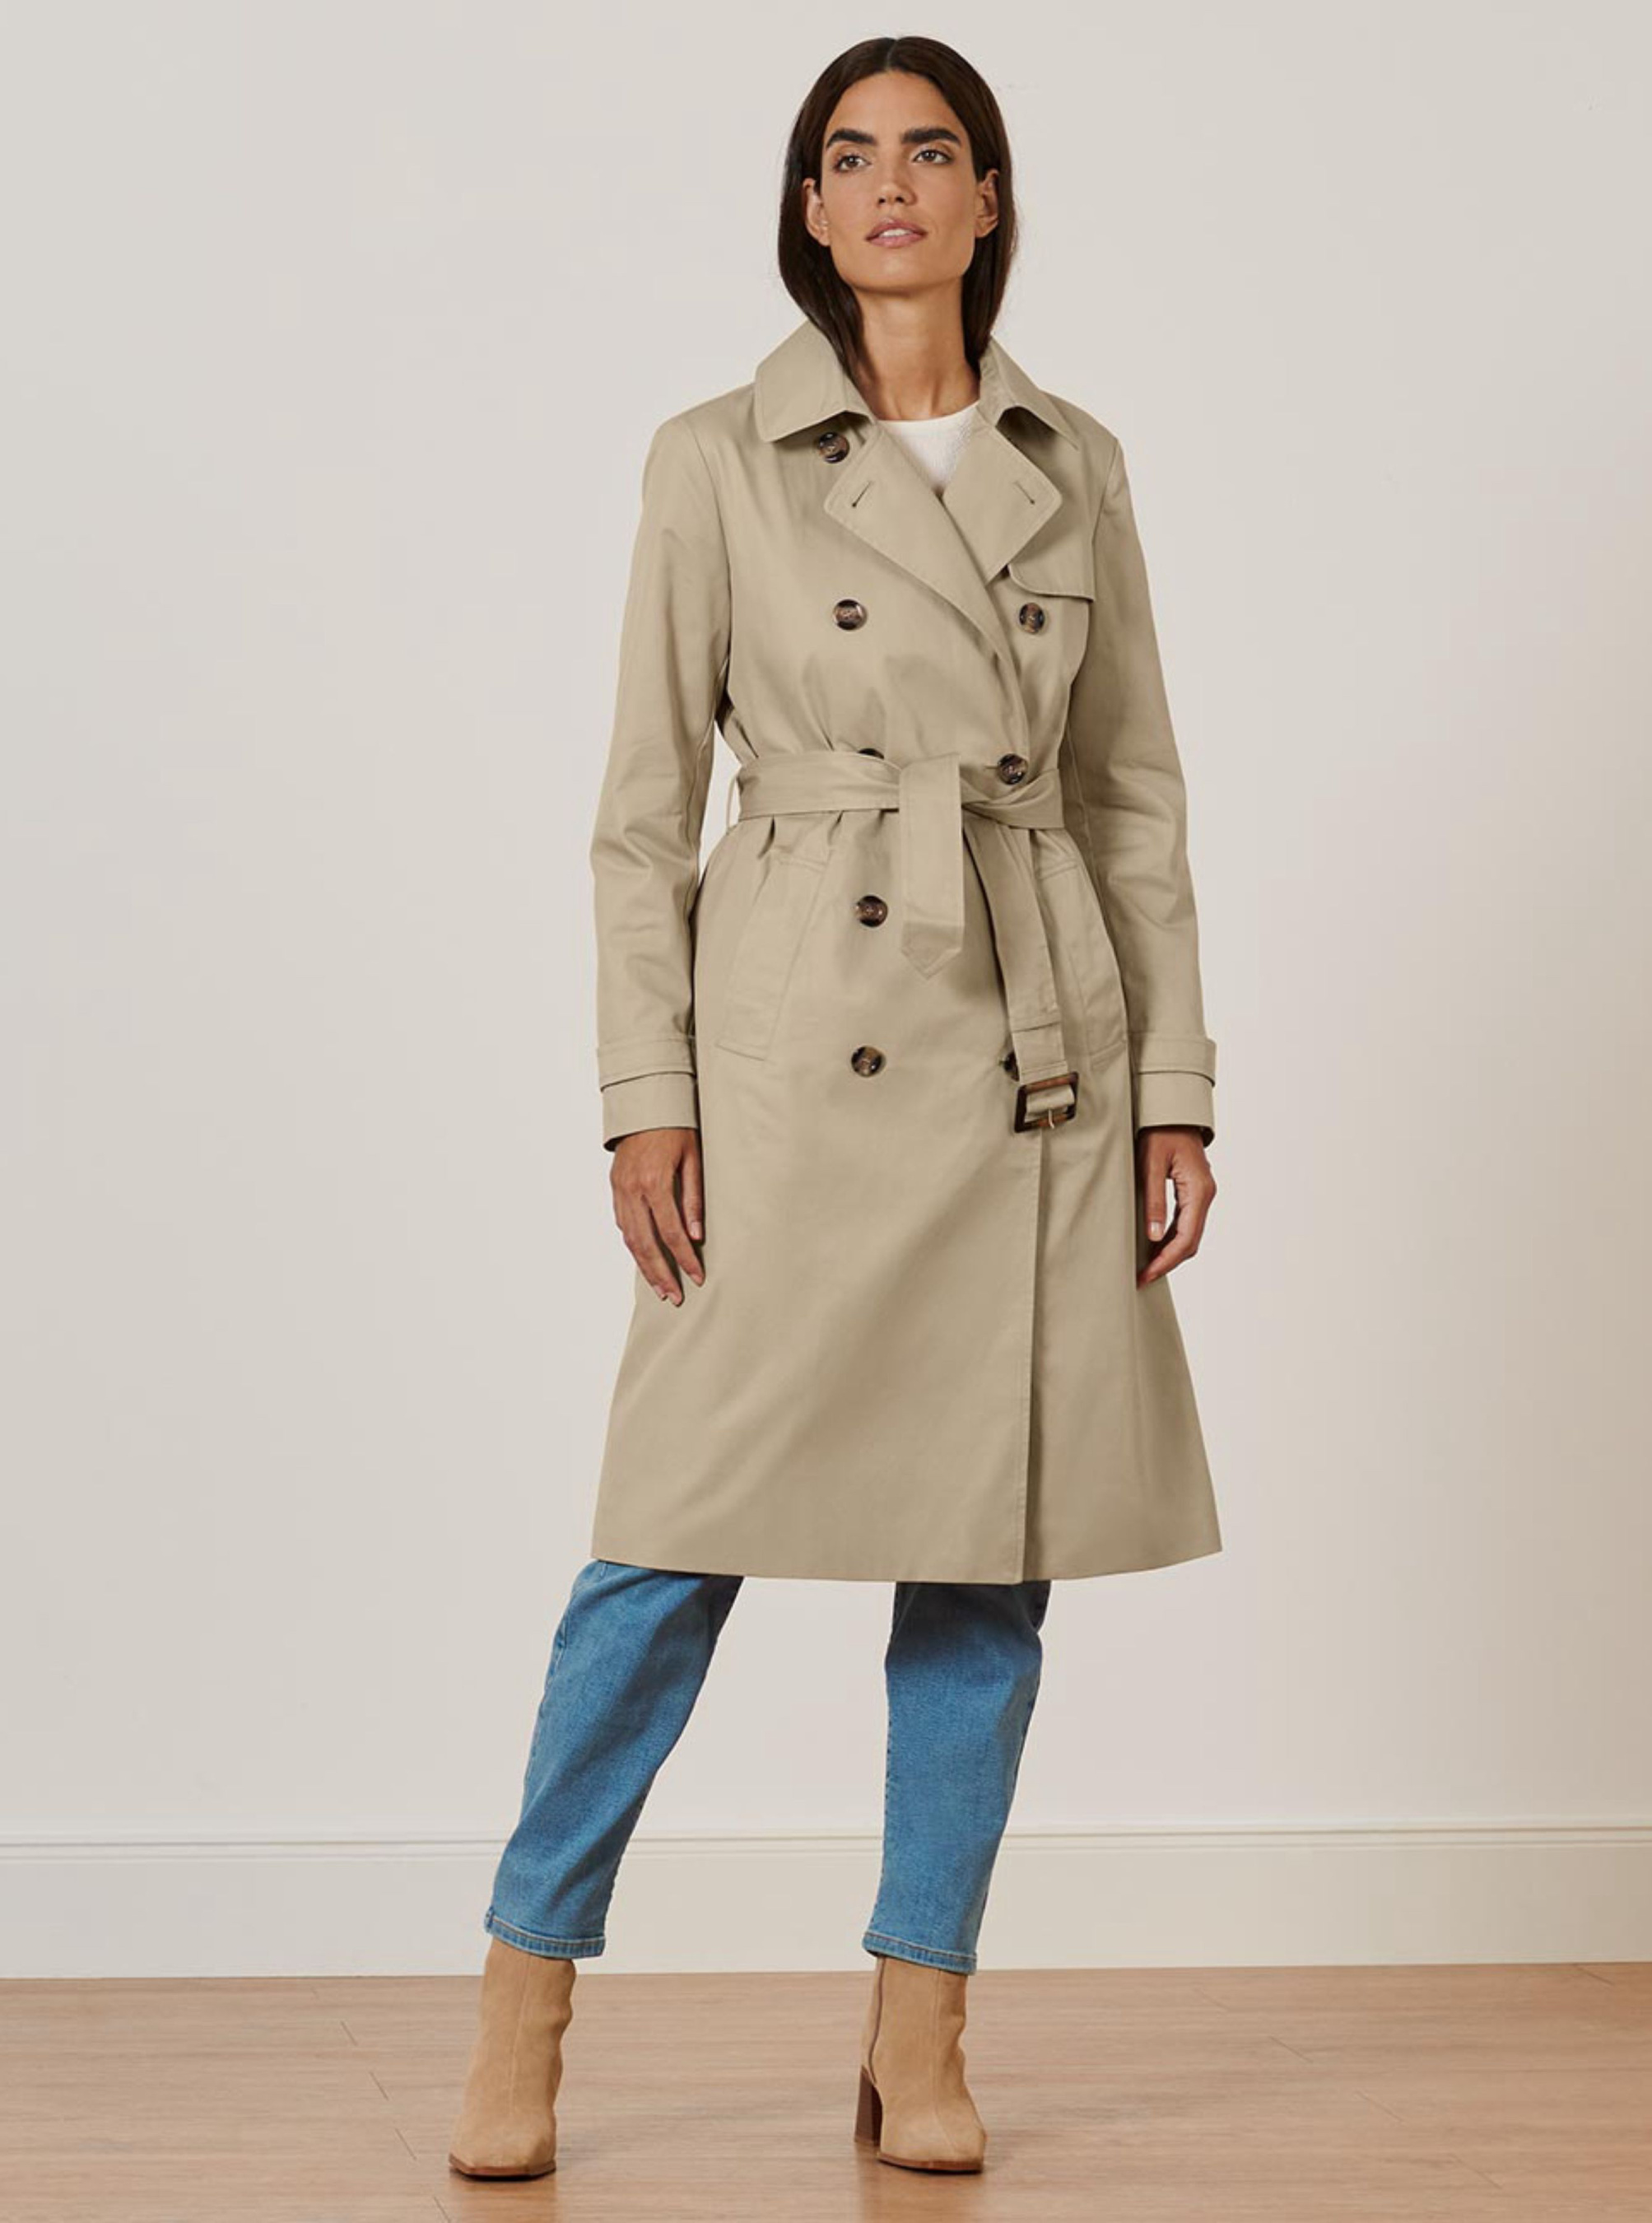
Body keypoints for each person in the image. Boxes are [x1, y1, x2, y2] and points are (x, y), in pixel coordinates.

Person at [449, 32, 1222, 2182]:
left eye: (932, 151)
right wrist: (647, 1093)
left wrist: (1172, 1081)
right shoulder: (716, 457)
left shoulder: (1079, 461)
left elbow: (1130, 798)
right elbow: (637, 814)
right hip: (793, 1050)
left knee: (986, 1563)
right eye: (851, 155)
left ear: (987, 199)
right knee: (662, 1540)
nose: (892, 185)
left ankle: (919, 2023)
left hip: (1032, 1058)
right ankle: (522, 1997)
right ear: (807, 207)